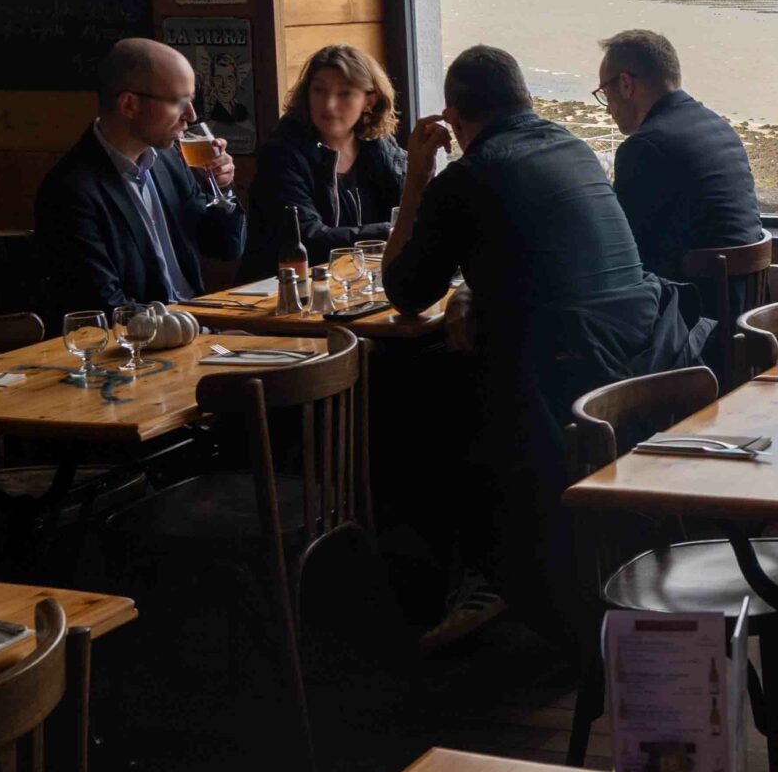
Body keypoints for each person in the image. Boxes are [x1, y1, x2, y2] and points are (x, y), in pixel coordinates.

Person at [383, 44, 699, 644]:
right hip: (645, 351)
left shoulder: (469, 175)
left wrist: (416, 177)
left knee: (410, 401)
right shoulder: (571, 147)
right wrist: (477, 290)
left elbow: (403, 291)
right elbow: (540, 255)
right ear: (525, 100)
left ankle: (463, 581)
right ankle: (491, 573)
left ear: (453, 118)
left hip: (564, 375)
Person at [35, 37, 248, 320]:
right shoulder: (70, 191)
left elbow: (226, 247)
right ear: (129, 105)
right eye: (179, 101)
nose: (191, 115)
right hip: (140, 347)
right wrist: (188, 329)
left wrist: (221, 188)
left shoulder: (171, 160)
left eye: (191, 100)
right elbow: (103, 304)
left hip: (198, 325)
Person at [595, 29, 762, 328]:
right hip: (745, 312)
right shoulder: (719, 128)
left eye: (605, 94)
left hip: (688, 322)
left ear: (625, 84)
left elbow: (624, 253)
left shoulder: (646, 146)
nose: (607, 108)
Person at [242, 44, 408, 282]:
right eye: (319, 91)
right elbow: (308, 239)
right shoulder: (281, 154)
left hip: (359, 285)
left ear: (369, 101)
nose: (329, 104)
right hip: (284, 294)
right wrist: (391, 231)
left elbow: (414, 214)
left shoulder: (380, 147)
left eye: (344, 93)